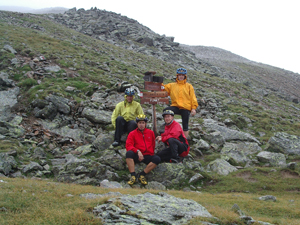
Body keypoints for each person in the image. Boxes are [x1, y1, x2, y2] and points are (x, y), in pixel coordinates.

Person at [163, 68, 199, 138]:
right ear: (177, 76)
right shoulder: (172, 85)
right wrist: (157, 83)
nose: (181, 76)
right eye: (179, 75)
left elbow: (193, 97)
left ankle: (185, 141)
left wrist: (193, 108)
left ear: (185, 76)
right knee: (166, 111)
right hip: (175, 106)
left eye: (183, 75)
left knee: (185, 123)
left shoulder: (189, 86)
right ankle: (169, 129)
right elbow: (163, 88)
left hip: (185, 107)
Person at [125, 114, 161, 185]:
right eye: (140, 123)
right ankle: (133, 176)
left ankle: (142, 175)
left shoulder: (150, 133)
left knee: (157, 159)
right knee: (129, 153)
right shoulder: (132, 133)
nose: (141, 125)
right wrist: (138, 151)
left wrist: (150, 154)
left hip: (147, 155)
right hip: (137, 155)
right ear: (137, 124)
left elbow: (153, 145)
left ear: (145, 124)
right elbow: (128, 145)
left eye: (143, 123)